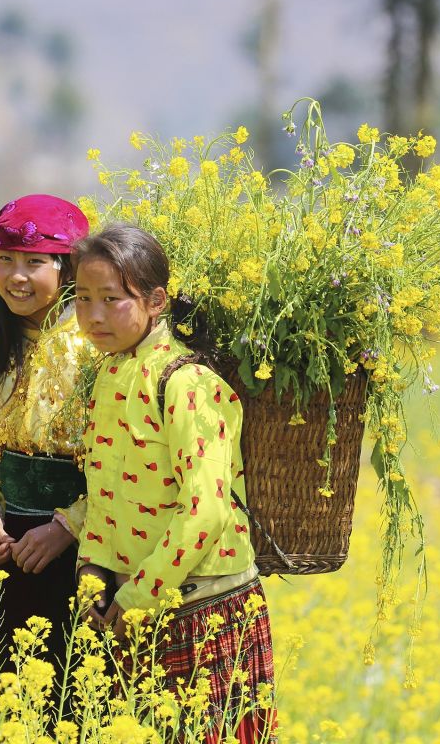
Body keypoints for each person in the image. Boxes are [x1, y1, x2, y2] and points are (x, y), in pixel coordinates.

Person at [71, 223, 275, 744]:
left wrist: (136, 596)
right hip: (133, 607)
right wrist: (93, 573)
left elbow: (205, 511)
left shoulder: (184, 383)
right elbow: (104, 490)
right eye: (82, 298)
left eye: (111, 299)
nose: (93, 315)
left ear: (156, 300)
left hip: (199, 607)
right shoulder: (110, 377)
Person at [0, 194, 95, 711]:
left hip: (95, 553)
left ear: (67, 267)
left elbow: (129, 462)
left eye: (34, 262)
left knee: (82, 701)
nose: (17, 276)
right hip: (12, 554)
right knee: (10, 707)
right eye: (5, 260)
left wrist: (69, 525)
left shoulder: (101, 345)